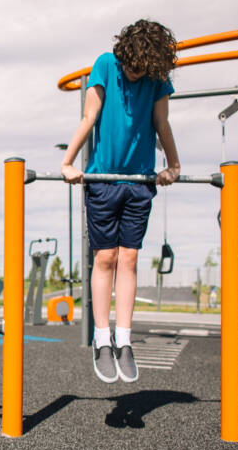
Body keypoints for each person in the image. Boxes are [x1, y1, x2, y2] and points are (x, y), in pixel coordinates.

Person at [60, 19, 181, 384]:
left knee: (129, 258)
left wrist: (173, 164)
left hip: (139, 180)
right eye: (130, 66)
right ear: (123, 55)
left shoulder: (157, 79)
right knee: (105, 257)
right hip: (103, 180)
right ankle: (102, 339)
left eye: (140, 70)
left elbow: (161, 123)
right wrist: (67, 162)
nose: (133, 73)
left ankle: (124, 340)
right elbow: (89, 116)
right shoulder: (105, 65)